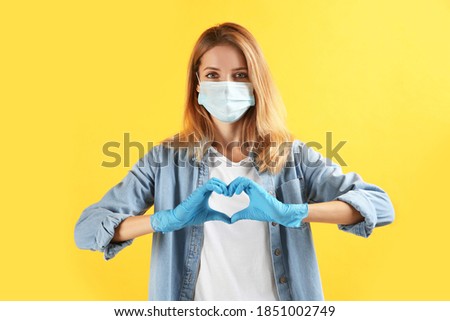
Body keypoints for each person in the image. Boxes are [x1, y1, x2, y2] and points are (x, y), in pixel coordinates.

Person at [74, 22, 395, 301]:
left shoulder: (292, 156)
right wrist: (163, 221)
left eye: (240, 75)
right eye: (213, 75)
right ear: (197, 84)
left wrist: (294, 212)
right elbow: (87, 230)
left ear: (257, 83)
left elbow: (379, 206)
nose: (226, 86)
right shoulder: (164, 160)